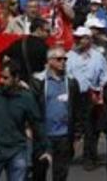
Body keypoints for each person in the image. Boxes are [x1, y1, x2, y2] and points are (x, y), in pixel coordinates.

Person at [0, 60, 50, 181]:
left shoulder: (26, 98)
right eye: (0, 77)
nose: (1, 81)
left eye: (6, 78)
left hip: (17, 150)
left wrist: (45, 148)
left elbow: (37, 123)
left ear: (16, 78)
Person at [29, 46, 80, 181]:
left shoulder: (71, 82)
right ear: (50, 61)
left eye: (65, 59)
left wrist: (76, 134)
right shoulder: (38, 82)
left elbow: (78, 109)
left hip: (63, 136)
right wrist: (29, 128)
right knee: (39, 172)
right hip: (43, 136)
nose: (63, 62)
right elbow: (31, 108)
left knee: (61, 174)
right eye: (59, 59)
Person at [67, 26, 107, 171]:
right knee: (70, 126)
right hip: (73, 96)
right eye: (77, 38)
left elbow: (106, 76)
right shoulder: (70, 55)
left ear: (89, 39)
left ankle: (89, 157)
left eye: (83, 38)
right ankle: (67, 154)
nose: (79, 41)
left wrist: (102, 93)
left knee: (91, 130)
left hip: (91, 96)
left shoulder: (98, 57)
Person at [0, 18, 50, 82]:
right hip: (37, 84)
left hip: (19, 83)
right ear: (38, 30)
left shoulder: (18, 43)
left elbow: (1, 57)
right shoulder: (44, 47)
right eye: (47, 31)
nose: (49, 34)